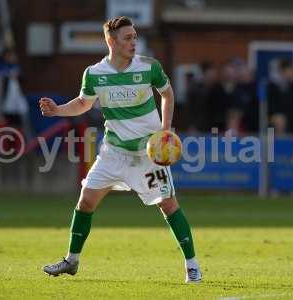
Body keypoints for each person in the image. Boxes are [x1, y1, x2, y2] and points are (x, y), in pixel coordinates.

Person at [39, 16, 201, 283]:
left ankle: (192, 265)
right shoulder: (94, 74)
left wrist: (165, 129)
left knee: (169, 205)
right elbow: (83, 103)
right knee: (86, 201)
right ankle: (71, 261)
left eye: (135, 37)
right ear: (111, 41)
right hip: (113, 152)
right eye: (128, 38)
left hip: (147, 154)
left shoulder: (149, 67)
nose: (134, 42)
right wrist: (57, 110)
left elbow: (168, 93)